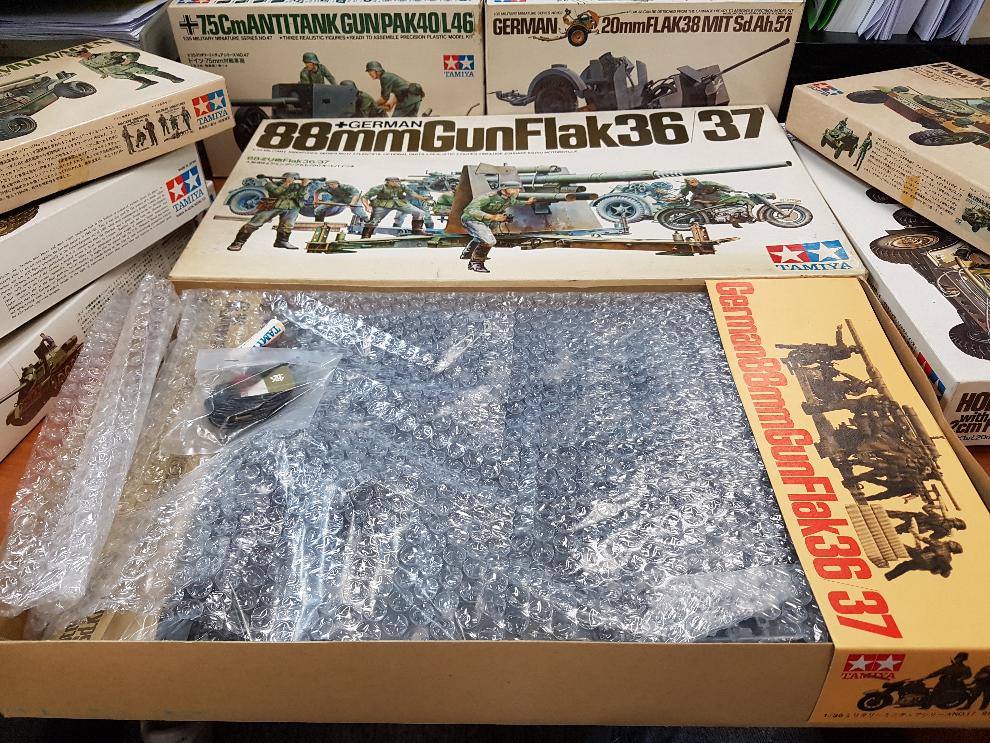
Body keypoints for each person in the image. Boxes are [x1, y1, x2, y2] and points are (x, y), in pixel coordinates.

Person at [458, 180, 536, 274]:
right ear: (504, 189)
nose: (517, 191)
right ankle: (476, 263)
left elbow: (515, 202)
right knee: (489, 241)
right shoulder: (487, 197)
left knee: (480, 237)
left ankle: (467, 254)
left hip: (484, 221)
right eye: (514, 189)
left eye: (518, 189)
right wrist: (493, 217)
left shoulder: (509, 198)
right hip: (471, 220)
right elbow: (470, 210)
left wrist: (527, 202)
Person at [227, 173, 309, 251]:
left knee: (288, 225)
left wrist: (304, 186)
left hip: (292, 207)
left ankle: (282, 241)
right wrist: (286, 184)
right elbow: (276, 192)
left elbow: (302, 196)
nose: (293, 180)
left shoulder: (297, 186)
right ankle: (238, 242)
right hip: (274, 205)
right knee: (256, 222)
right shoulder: (270, 184)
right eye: (292, 178)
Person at [76, 49, 183, 90]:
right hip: (112, 71)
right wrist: (103, 73)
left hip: (124, 65)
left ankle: (174, 78)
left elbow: (132, 53)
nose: (82, 57)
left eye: (82, 54)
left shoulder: (106, 54)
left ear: (87, 52)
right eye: (79, 56)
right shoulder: (84, 62)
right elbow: (93, 69)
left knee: (150, 71)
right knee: (130, 77)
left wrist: (129, 60)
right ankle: (147, 82)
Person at [362, 177, 427, 238]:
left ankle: (417, 230)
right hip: (383, 204)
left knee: (419, 213)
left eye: (397, 181)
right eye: (393, 181)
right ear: (388, 182)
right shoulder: (379, 188)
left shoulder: (402, 186)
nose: (395, 183)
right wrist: (367, 206)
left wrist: (422, 198)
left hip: (399, 202)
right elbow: (365, 197)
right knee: (374, 220)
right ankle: (366, 235)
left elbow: (412, 193)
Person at [884, 539, 962, 581]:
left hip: (922, 557)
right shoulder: (949, 559)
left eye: (953, 543)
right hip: (924, 565)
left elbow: (927, 540)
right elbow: (936, 572)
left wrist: (921, 538)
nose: (950, 541)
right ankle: (888, 576)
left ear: (952, 546)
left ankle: (887, 543)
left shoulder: (941, 544)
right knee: (906, 566)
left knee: (903, 548)